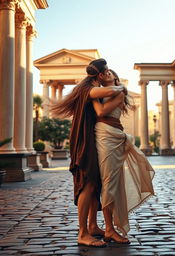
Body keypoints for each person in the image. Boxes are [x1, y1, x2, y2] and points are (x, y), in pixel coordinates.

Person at [51, 59, 127, 247]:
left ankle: (92, 226)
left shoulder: (92, 89)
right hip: (84, 141)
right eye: (107, 71)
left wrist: (119, 88)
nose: (109, 74)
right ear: (100, 75)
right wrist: (121, 87)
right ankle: (83, 233)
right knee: (87, 184)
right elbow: (109, 94)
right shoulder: (90, 90)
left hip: (90, 139)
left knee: (94, 182)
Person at [92, 69, 155, 244]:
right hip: (102, 135)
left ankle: (110, 228)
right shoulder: (98, 91)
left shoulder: (119, 93)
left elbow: (101, 112)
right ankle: (108, 228)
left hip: (112, 136)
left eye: (110, 72)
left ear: (115, 78)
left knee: (111, 181)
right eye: (103, 72)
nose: (106, 73)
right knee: (107, 181)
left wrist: (95, 99)